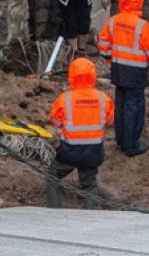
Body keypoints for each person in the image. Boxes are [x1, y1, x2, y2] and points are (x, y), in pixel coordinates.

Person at [97, 0, 149, 156]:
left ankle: (121, 141)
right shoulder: (142, 26)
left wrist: (110, 59)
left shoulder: (113, 21)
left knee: (121, 104)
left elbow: (103, 45)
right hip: (136, 71)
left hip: (117, 69)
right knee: (134, 106)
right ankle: (131, 145)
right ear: (140, 2)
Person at [46, 57, 114, 209]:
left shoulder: (65, 99)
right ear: (93, 76)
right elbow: (109, 121)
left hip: (70, 150)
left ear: (71, 75)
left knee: (53, 176)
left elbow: (55, 122)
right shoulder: (104, 99)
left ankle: (53, 211)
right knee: (89, 185)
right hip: (93, 151)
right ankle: (91, 218)